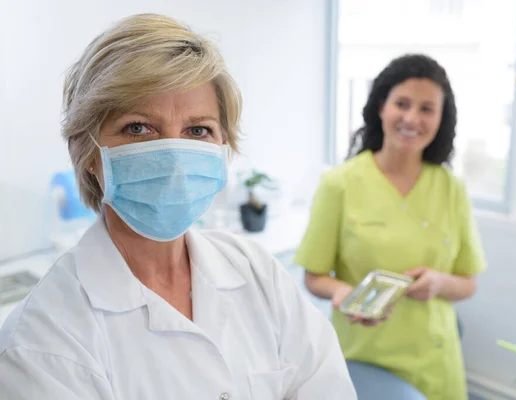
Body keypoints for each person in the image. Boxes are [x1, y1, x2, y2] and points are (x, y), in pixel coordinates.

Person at [0, 14, 357, 400]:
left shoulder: (256, 271)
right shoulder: (41, 341)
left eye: (197, 130)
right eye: (138, 127)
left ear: (223, 147)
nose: (172, 156)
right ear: (88, 152)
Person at [294, 53, 487, 400]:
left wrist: (439, 283)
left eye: (427, 109)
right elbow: (314, 276)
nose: (412, 118)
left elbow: (468, 283)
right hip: (365, 361)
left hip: (437, 364)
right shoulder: (339, 184)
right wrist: (342, 293)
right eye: (403, 103)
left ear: (441, 119)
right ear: (381, 106)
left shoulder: (451, 188)